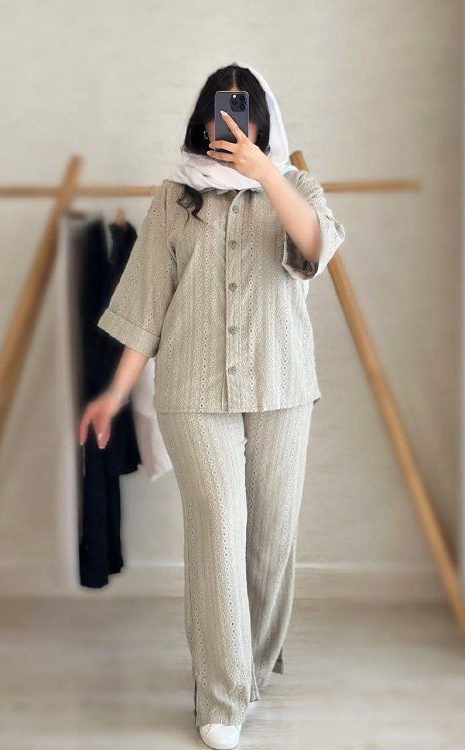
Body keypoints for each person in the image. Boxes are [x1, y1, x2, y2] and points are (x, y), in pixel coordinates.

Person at [78, 62, 346, 750]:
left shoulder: (297, 187)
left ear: (263, 121)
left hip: (282, 384)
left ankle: (251, 666)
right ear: (203, 120)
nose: (231, 122)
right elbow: (147, 307)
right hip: (193, 388)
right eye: (220, 110)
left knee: (271, 539)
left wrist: (267, 175)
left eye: (244, 110)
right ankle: (221, 696)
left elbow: (315, 249)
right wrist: (112, 395)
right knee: (219, 528)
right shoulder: (175, 198)